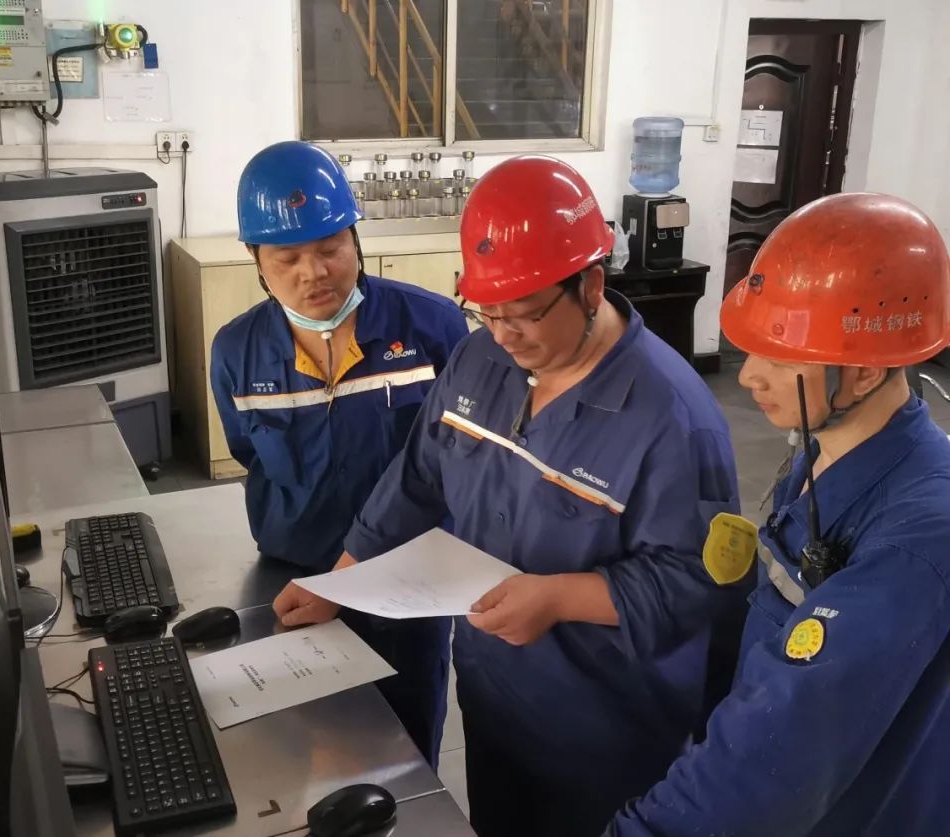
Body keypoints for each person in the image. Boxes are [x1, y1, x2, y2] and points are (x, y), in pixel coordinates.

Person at [273, 155, 750, 835]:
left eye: (522, 315)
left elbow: (700, 584)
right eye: (486, 312)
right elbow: (420, 475)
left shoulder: (673, 419)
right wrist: (340, 582)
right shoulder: (481, 359)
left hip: (604, 731)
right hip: (494, 697)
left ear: (590, 285)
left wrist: (559, 597)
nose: (501, 334)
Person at [606, 192, 950, 836]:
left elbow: (782, 753)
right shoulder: (826, 451)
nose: (748, 377)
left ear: (865, 372)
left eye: (782, 356)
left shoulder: (917, 538)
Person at [210, 141, 468, 768]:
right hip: (294, 581)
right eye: (288, 257)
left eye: (330, 247)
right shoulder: (236, 353)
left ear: (355, 238)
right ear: (256, 260)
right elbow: (247, 452)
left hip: (406, 587)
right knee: (305, 755)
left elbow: (456, 463)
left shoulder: (433, 327)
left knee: (407, 753)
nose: (314, 272)